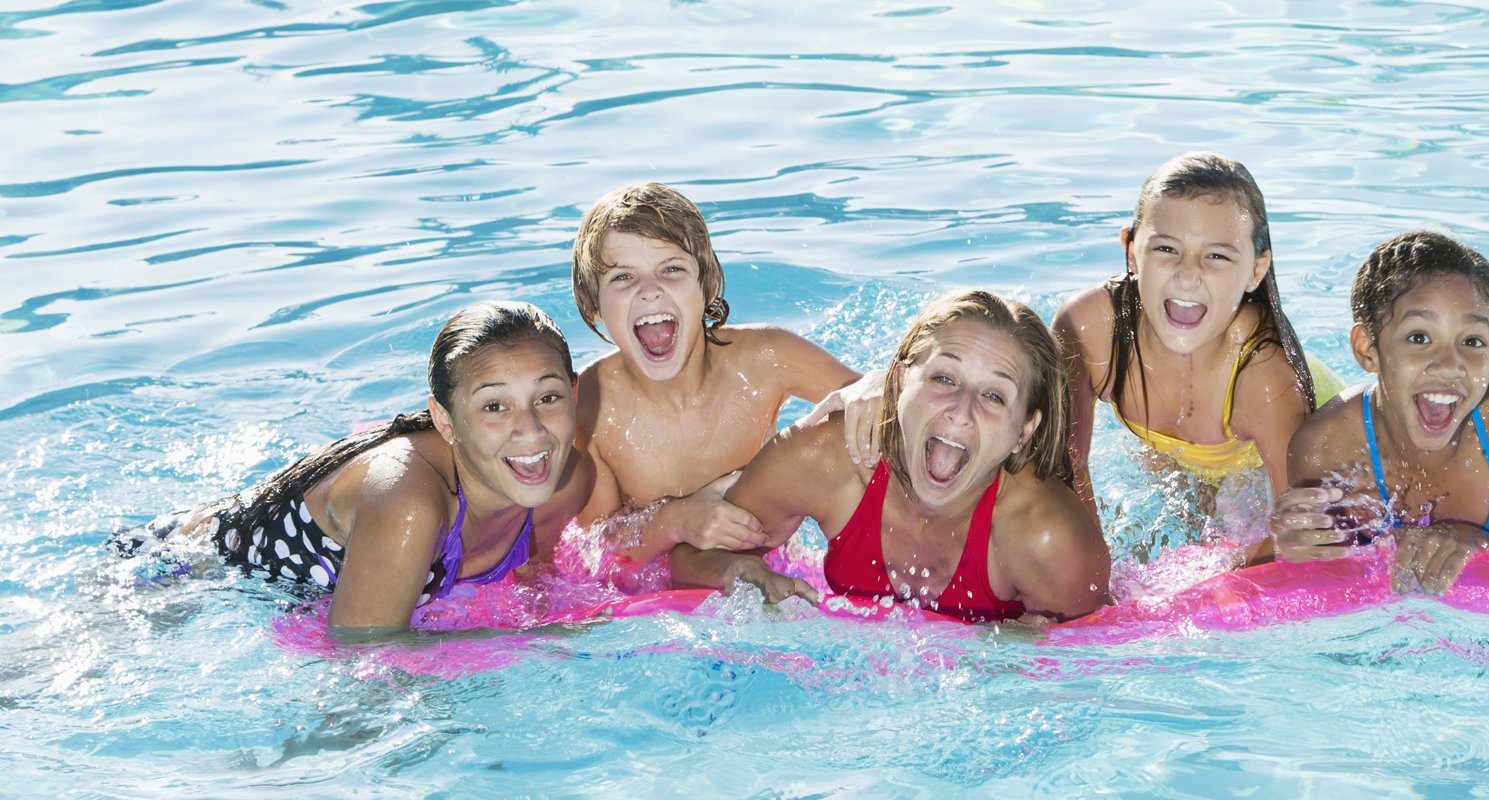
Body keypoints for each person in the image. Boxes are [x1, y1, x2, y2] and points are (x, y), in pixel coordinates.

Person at [113, 301, 589, 635]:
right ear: (446, 419)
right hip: (174, 574)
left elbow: (532, 584)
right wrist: (541, 641)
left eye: (547, 398)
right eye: (494, 407)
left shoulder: (569, 482)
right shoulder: (410, 504)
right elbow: (364, 656)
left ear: (573, 393)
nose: (530, 430)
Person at [670, 290, 1112, 623]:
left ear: (1025, 431)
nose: (961, 410)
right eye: (943, 378)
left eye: (994, 395)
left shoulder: (1048, 539)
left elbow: (1091, 668)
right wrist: (739, 570)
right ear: (898, 383)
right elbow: (687, 559)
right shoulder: (826, 458)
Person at [1267, 231, 1489, 595]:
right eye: (1419, 338)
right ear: (1367, 348)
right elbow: (1342, 579)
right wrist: (1301, 547)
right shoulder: (1325, 449)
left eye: (1472, 342)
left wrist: (1474, 543)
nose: (1450, 365)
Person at [568, 183, 863, 563]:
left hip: (766, 554)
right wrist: (676, 520)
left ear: (706, 286)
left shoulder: (767, 358)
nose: (650, 290)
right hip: (663, 587)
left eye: (671, 269)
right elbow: (599, 548)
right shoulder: (589, 408)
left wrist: (870, 389)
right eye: (623, 277)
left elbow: (877, 405)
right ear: (594, 305)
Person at [1051, 151, 1342, 533]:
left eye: (1217, 256)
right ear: (1131, 250)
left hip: (1306, 446)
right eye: (1167, 249)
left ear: (1256, 270)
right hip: (1185, 459)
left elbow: (1301, 531)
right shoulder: (1091, 331)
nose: (1188, 276)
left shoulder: (1265, 377)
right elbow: (1063, 469)